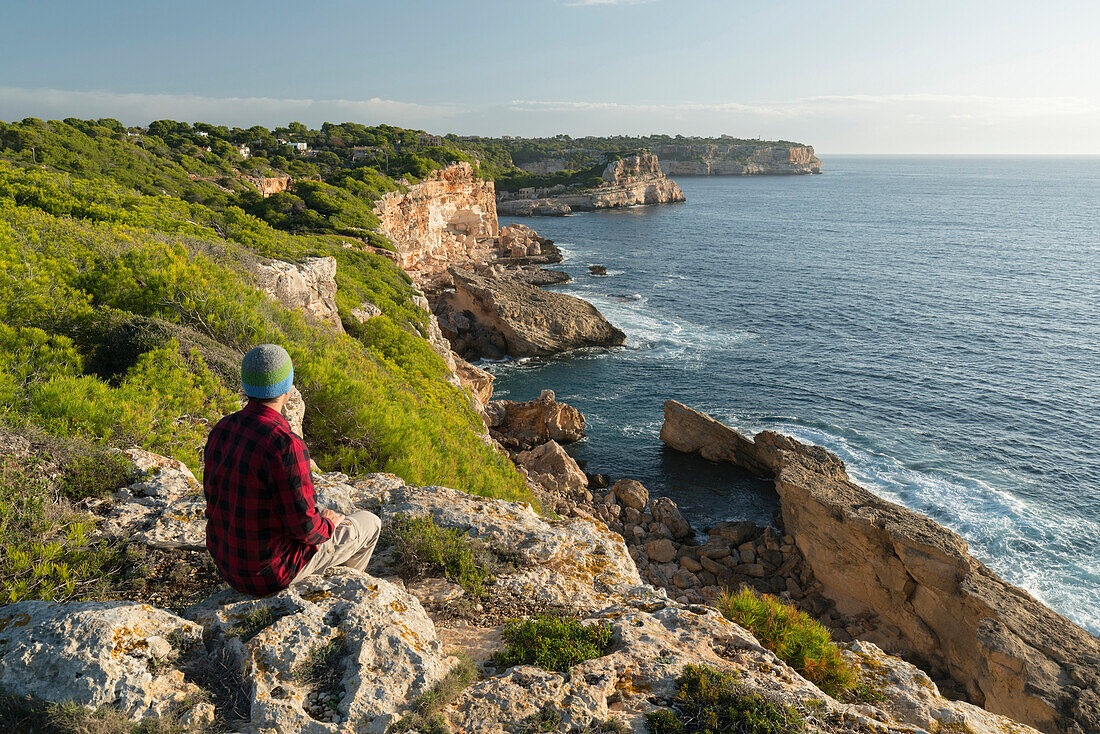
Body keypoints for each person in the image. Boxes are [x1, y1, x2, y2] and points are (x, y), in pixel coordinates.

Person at [203, 343, 380, 596]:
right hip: (271, 573)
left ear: (246, 386)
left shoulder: (222, 429)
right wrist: (328, 524)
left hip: (228, 564)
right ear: (287, 388)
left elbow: (214, 500)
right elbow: (306, 529)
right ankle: (344, 594)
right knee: (369, 523)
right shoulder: (285, 445)